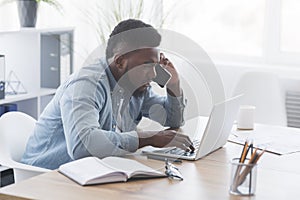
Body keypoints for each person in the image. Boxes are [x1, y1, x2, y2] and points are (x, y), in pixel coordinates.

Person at [21, 19, 194, 170]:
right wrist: (148, 138)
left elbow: (172, 120)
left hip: (93, 172)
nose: (154, 74)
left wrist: (174, 85)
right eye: (147, 65)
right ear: (120, 61)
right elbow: (83, 146)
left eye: (156, 66)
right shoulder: (86, 84)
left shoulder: (138, 86)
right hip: (46, 177)